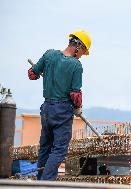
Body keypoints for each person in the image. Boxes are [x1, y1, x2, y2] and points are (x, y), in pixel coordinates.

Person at [28, 30, 92, 180]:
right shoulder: (76, 65)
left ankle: (39, 181)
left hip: (46, 109)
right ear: (78, 47)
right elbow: (75, 94)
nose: (82, 55)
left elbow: (32, 74)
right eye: (83, 51)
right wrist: (78, 108)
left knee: (45, 148)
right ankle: (46, 183)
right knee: (59, 150)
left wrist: (47, 72)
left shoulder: (49, 55)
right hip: (62, 110)